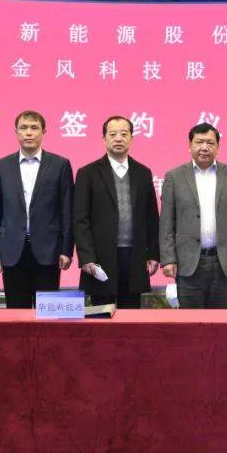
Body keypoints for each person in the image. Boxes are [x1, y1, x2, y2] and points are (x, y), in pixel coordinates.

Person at [0, 110, 74, 309]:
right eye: (23, 128)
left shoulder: (60, 165)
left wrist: (66, 249)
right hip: (11, 250)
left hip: (49, 250)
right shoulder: (1, 167)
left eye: (34, 128)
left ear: (43, 132)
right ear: (16, 132)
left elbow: (67, 210)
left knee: (48, 313)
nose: (28, 132)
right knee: (16, 314)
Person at [160, 123, 227, 308]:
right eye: (199, 142)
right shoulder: (174, 177)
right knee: (190, 321)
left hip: (223, 263)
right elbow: (166, 222)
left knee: (222, 320)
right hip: (188, 263)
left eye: (210, 143)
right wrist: (168, 259)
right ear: (190, 145)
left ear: (218, 146)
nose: (204, 147)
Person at [73, 115, 160, 308]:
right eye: (113, 134)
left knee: (131, 317)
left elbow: (152, 218)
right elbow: (80, 220)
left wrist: (154, 254)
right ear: (104, 139)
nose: (118, 138)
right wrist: (87, 258)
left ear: (131, 138)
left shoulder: (143, 172)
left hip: (135, 258)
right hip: (100, 259)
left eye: (123, 134)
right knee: (101, 314)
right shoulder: (87, 173)